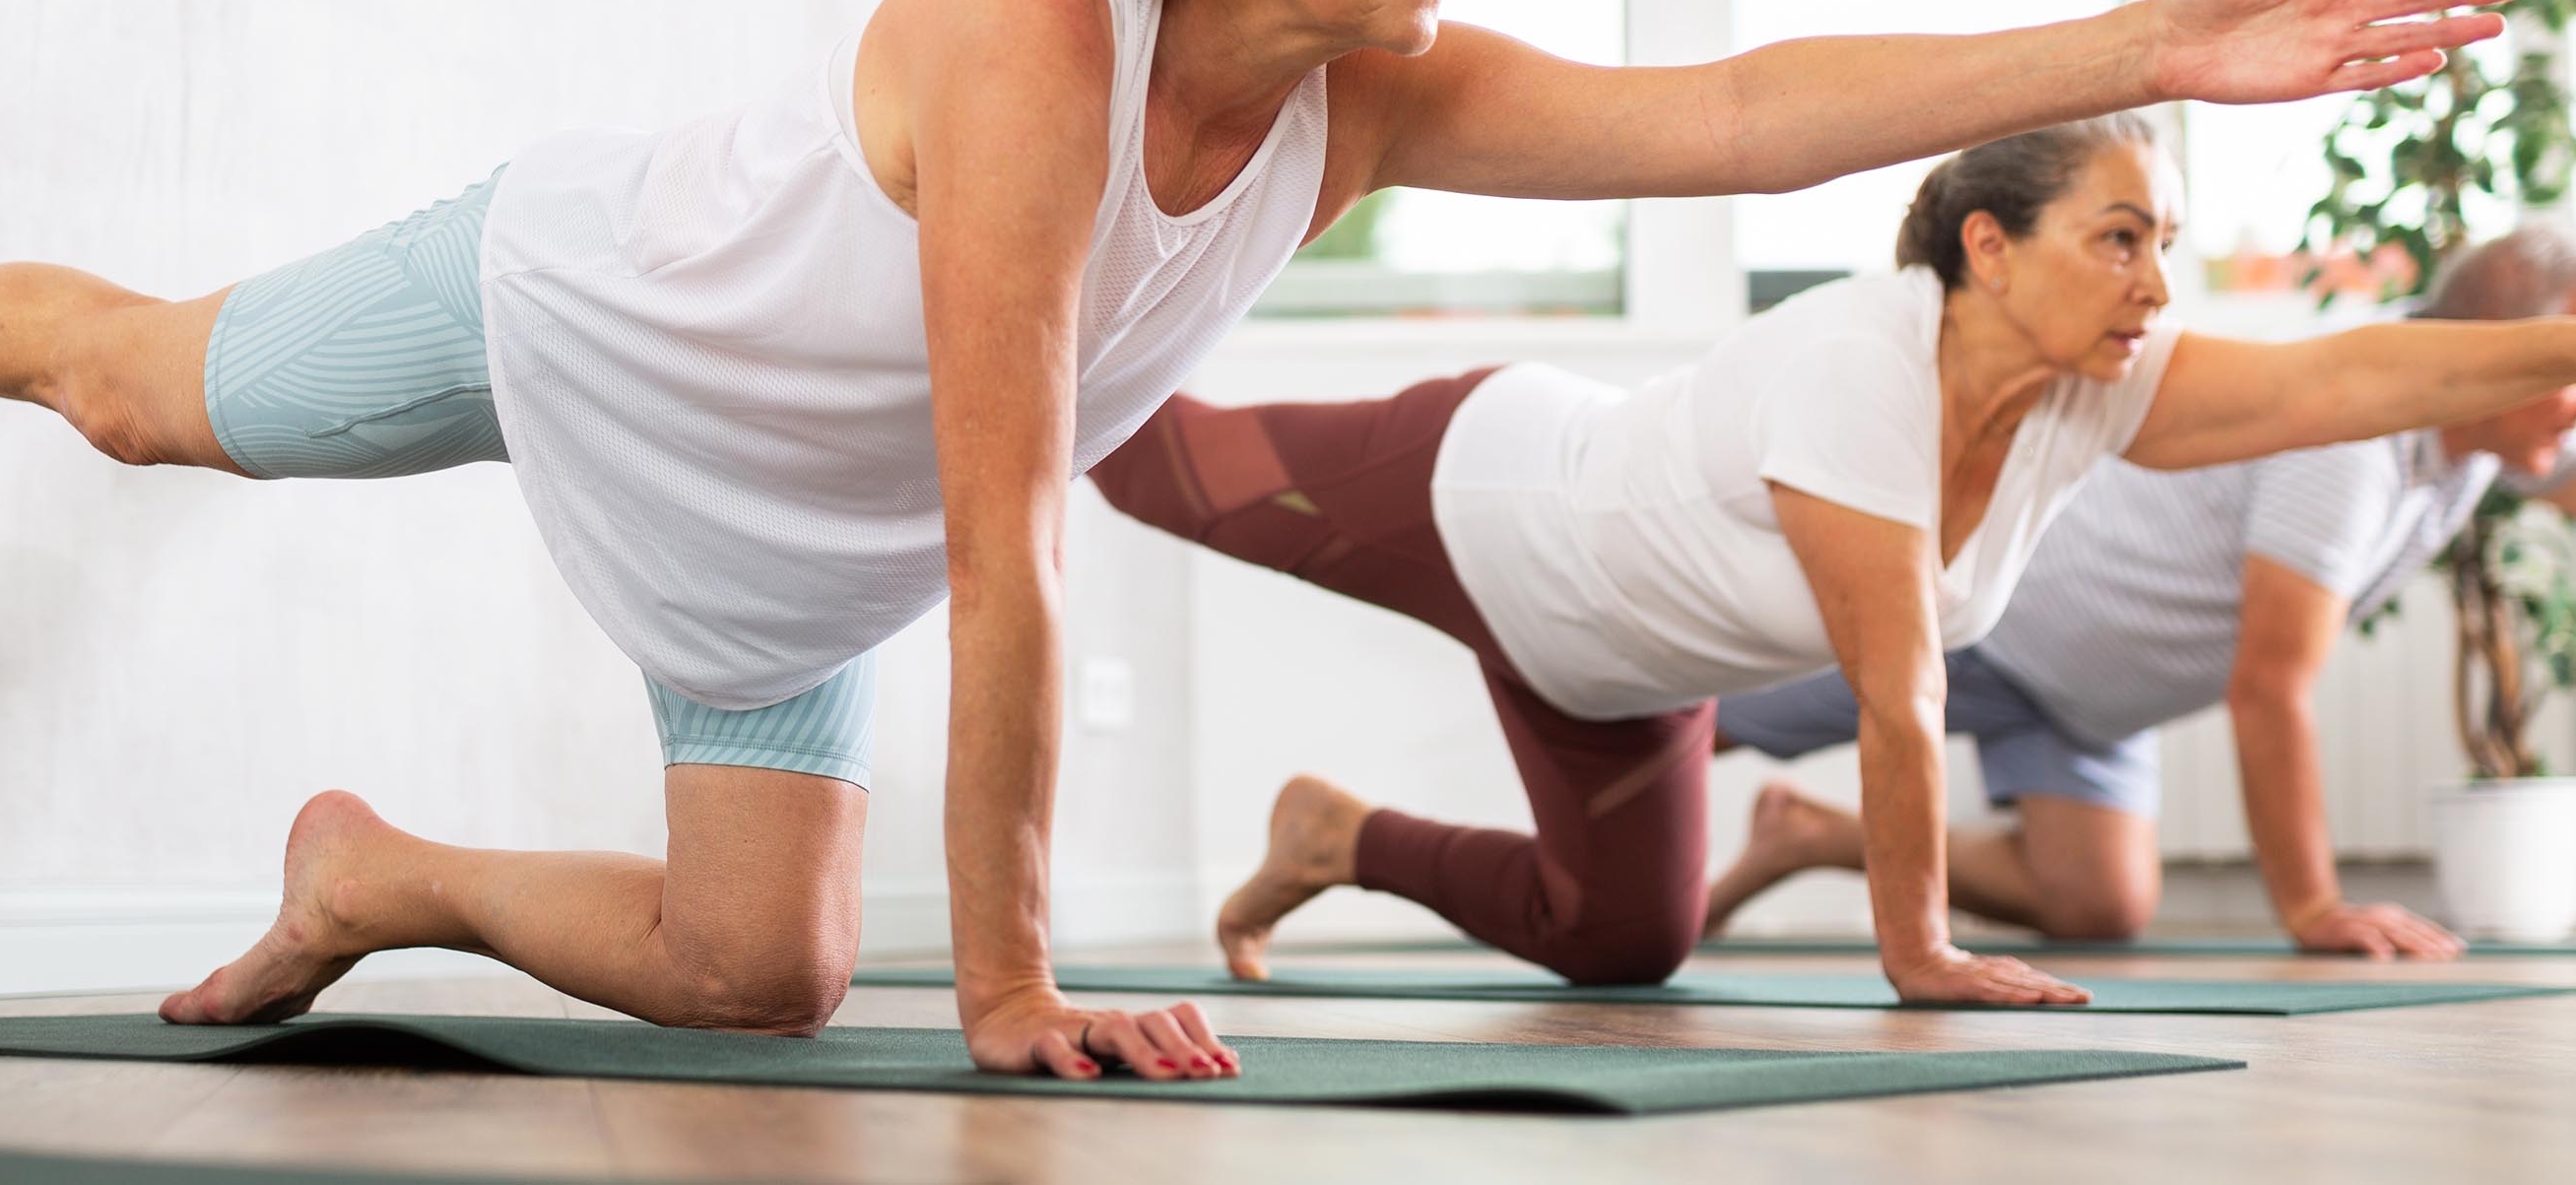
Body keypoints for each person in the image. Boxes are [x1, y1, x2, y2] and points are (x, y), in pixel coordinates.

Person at [0, 0, 2514, 1070]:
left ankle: (370, 870)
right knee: (143, 395)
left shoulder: (1384, 92)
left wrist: (2142, 35)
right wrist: (1007, 982)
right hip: (602, 313)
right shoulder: (1031, 32)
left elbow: (1748, 109)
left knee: (757, 981)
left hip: (811, 517)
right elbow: (1011, 513)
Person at [1090, 117, 2576, 1007]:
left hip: (1611, 672)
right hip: (1476, 494)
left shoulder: (2097, 383)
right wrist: (1913, 946)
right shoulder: (1862, 359)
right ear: (1988, 247)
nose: (2155, 282)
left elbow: (2350, 374)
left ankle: (1333, 837)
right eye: (2118, 239)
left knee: (1616, 940)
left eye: (2164, 240)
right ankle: (982, 313)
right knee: (1138, 456)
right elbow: (1897, 685)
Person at [1706, 227, 2576, 959]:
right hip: (1994, 621)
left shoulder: (2480, 430)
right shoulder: (2351, 441)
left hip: (2094, 699)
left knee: (2100, 905)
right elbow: (2268, 689)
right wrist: (2313, 911)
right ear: (2497, 353)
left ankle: (1807, 834)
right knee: (1690, 713)